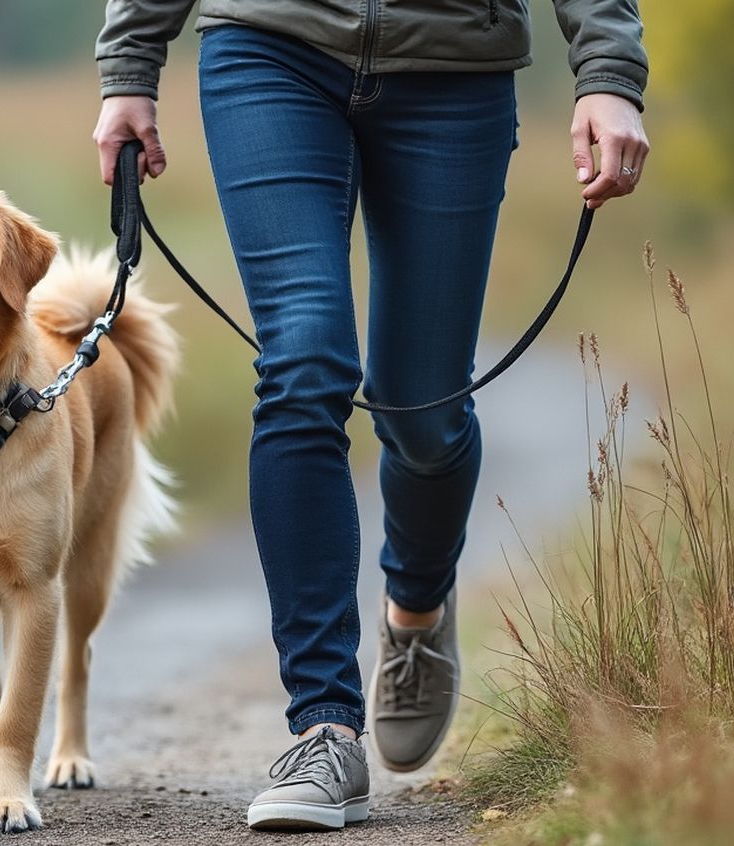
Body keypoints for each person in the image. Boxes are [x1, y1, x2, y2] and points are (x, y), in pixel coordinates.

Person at [92, 0, 648, 832]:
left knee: (423, 411)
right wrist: (129, 64)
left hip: (455, 63)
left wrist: (607, 70)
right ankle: (323, 728)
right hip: (270, 46)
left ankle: (415, 611)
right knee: (304, 362)